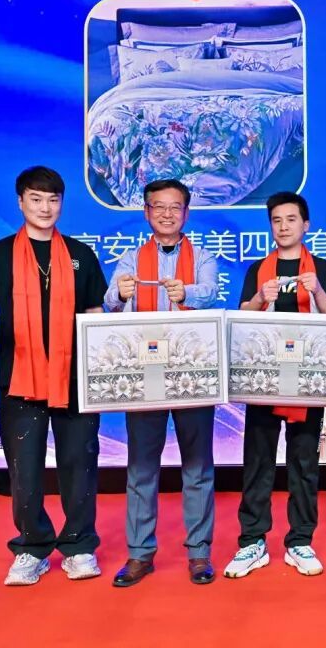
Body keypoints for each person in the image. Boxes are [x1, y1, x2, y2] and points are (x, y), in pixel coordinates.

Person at [0, 166, 107, 586]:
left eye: (53, 200)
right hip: (19, 381)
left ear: (62, 204)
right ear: (20, 202)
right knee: (24, 470)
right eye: (36, 199)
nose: (45, 208)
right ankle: (32, 547)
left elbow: (95, 312)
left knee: (80, 465)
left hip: (74, 380)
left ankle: (79, 546)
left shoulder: (81, 255)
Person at [103, 179, 220, 586]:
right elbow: (109, 302)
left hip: (192, 371)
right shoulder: (130, 258)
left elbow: (210, 291)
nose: (167, 214)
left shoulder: (203, 256)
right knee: (140, 467)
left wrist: (186, 292)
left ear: (186, 213)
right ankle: (139, 554)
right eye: (159, 207)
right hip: (145, 373)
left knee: (198, 466)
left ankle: (200, 554)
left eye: (175, 207)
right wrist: (120, 294)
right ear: (146, 213)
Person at [223, 192, 326, 578]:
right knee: (257, 461)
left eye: (291, 219)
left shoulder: (321, 268)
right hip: (263, 379)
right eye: (277, 220)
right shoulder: (258, 269)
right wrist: (261, 296)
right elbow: (242, 315)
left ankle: (300, 541)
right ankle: (252, 541)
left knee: (304, 462)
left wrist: (317, 290)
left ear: (306, 225)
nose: (284, 226)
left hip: (307, 380)